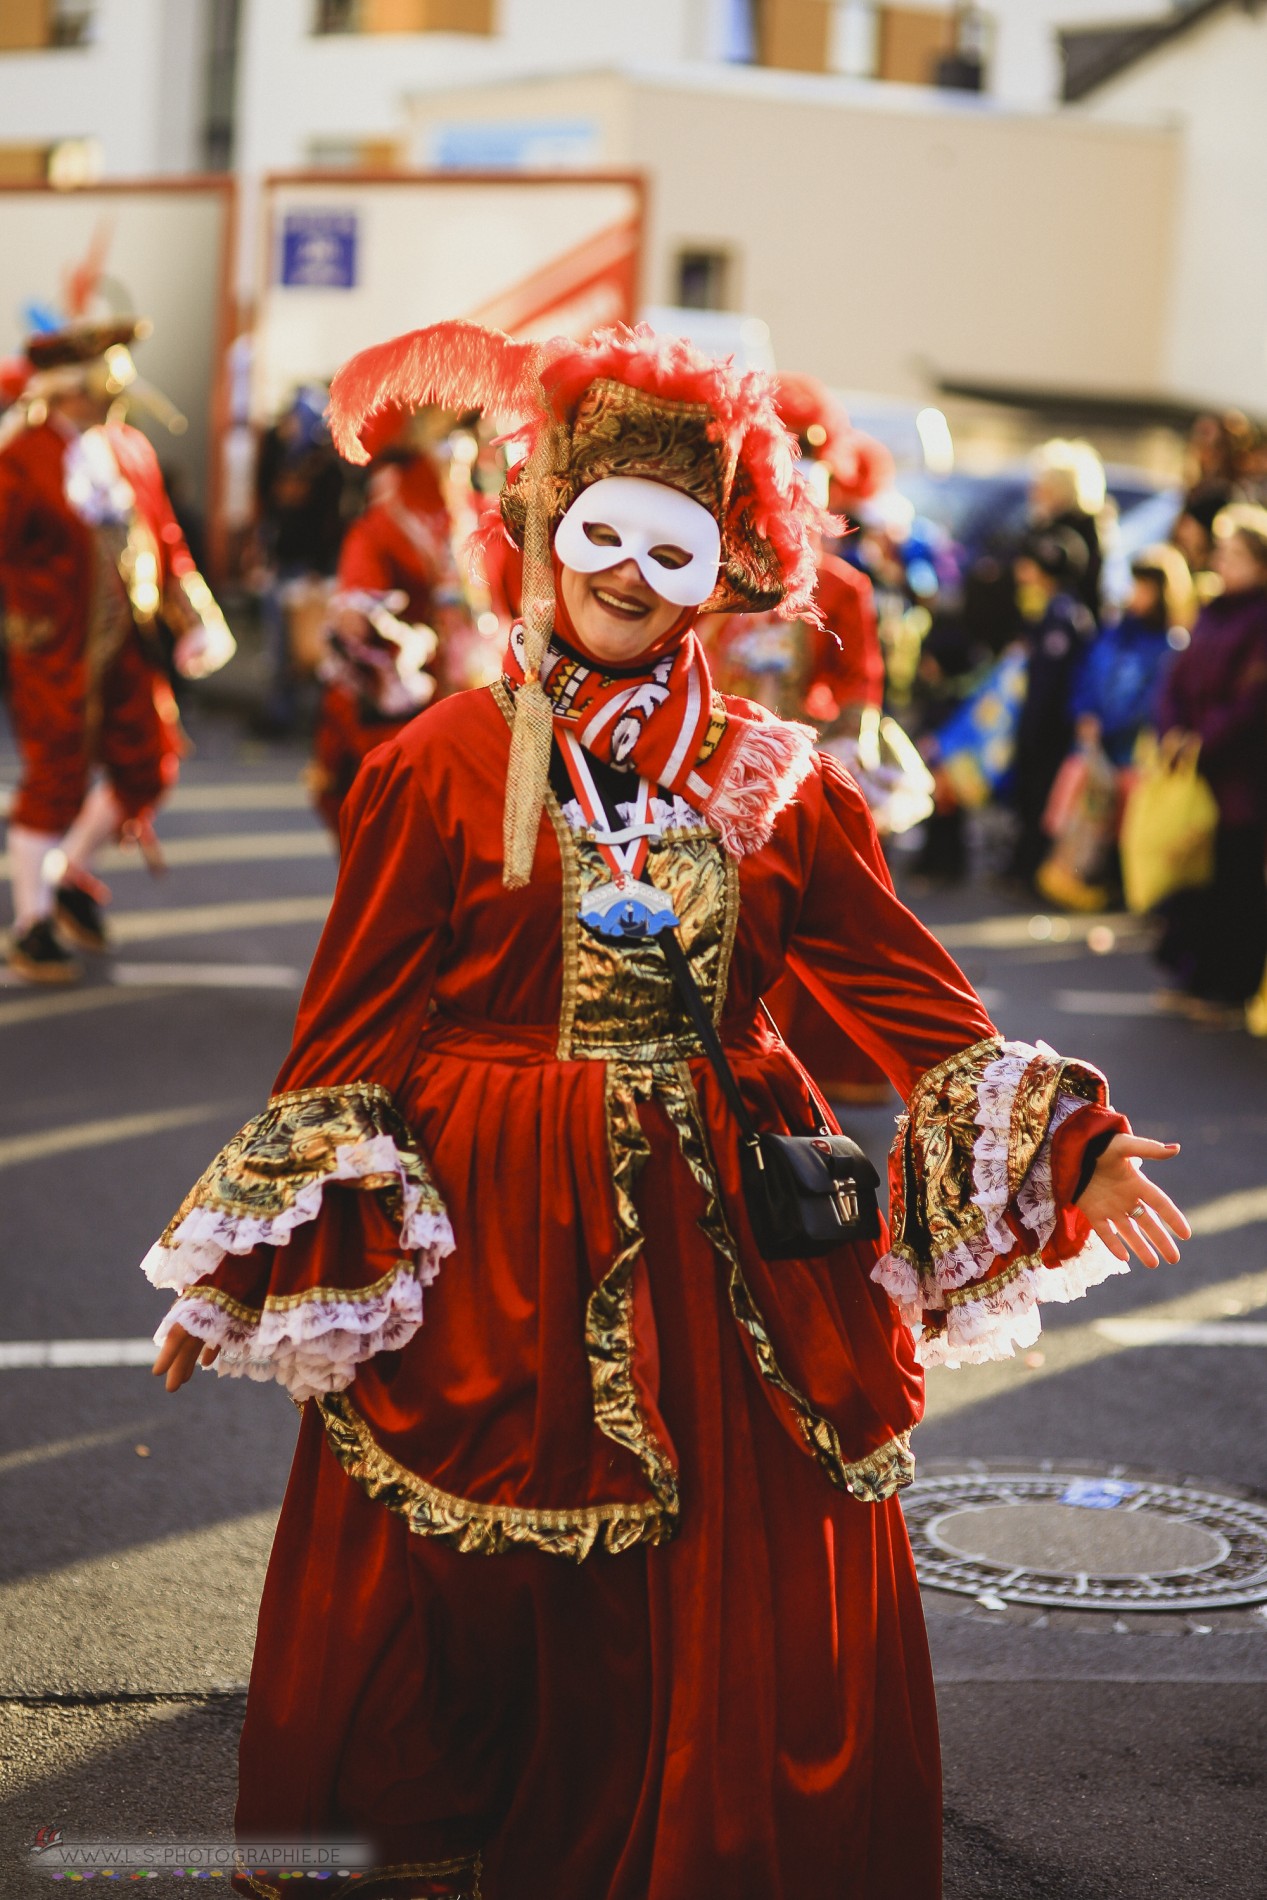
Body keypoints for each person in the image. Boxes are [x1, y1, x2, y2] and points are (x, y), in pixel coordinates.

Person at [145, 320, 1188, 1900]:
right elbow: (346, 1033)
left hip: (723, 1241)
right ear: (543, 534)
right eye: (603, 536)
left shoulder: (780, 778)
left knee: (718, 1583)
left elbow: (909, 996)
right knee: (456, 1575)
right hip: (487, 1228)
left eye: (672, 548)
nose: (630, 576)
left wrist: (1076, 1147)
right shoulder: (437, 759)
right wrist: (242, 1269)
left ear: (725, 567)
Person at [0, 314, 233, 982]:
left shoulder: (131, 449)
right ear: (74, 385)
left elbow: (167, 541)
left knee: (149, 763)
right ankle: (32, 924)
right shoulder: (22, 455)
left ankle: (71, 870)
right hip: (54, 648)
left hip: (129, 644)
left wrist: (200, 621)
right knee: (55, 779)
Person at [703, 372, 897, 1104]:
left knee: (778, 931)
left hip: (781, 780)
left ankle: (765, 1075)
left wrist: (835, 747)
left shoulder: (842, 588)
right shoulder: (711, 571)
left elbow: (859, 686)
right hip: (692, 767)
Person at [1154, 504, 1267, 1018]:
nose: (1224, 562)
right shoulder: (1212, 609)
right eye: (1223, 551)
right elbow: (1176, 678)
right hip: (1196, 767)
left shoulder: (1259, 617)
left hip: (1240, 775)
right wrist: (1173, 730)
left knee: (1235, 881)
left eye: (1236, 554)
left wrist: (1202, 741)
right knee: (1195, 877)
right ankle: (1195, 976)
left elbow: (1252, 700)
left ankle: (1229, 989)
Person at [1007, 527, 1098, 884]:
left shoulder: (1062, 615)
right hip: (1046, 721)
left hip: (1050, 725)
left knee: (1041, 798)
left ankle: (1032, 869)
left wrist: (1032, 726)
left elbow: (1050, 681)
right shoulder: (1048, 609)